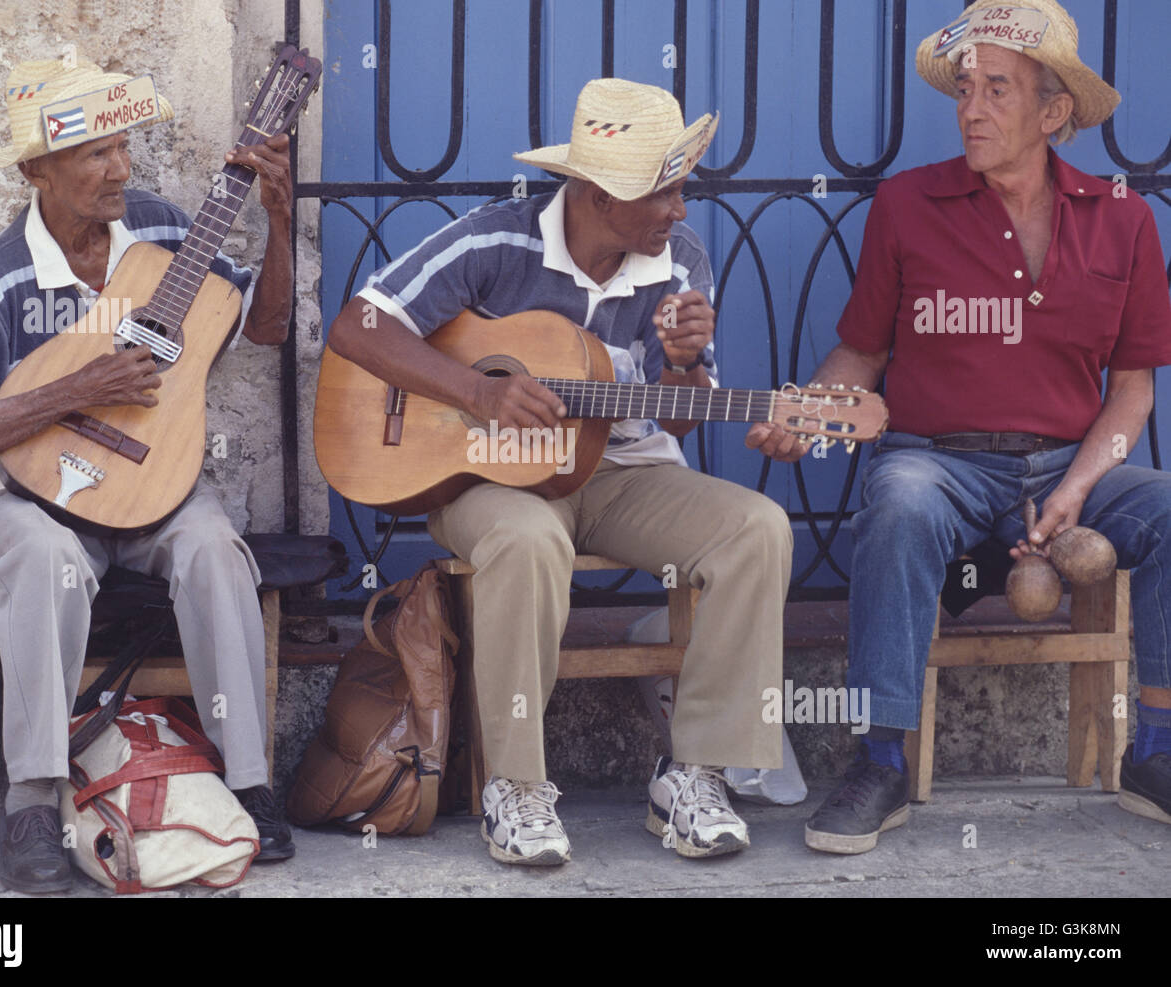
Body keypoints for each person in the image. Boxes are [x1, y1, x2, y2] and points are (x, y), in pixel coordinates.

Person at [327, 78, 792, 865]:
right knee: (531, 540)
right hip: (485, 479)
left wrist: (682, 368)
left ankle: (693, 773)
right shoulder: (492, 241)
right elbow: (357, 324)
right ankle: (516, 785)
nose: (681, 209)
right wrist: (478, 390)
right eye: (664, 193)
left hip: (620, 473)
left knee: (758, 527)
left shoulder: (680, 262)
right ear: (599, 195)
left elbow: (679, 416)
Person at [747, 0, 1171, 852]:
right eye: (965, 90)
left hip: (1066, 464)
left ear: (1054, 113)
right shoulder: (908, 204)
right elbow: (861, 354)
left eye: (997, 91)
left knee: (1167, 510)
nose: (971, 109)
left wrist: (1079, 490)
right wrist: (809, 417)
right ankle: (880, 761)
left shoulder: (1123, 217)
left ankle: (1154, 751)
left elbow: (1131, 392)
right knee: (898, 505)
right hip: (937, 461)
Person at [0, 56, 298, 891]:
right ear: (37, 171)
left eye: (123, 147)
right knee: (44, 561)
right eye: (93, 154)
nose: (119, 169)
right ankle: (32, 797)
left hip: (155, 485)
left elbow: (265, 328)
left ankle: (249, 782)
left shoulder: (166, 234)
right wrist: (80, 387)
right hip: (32, 495)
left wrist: (279, 225)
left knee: (214, 549)